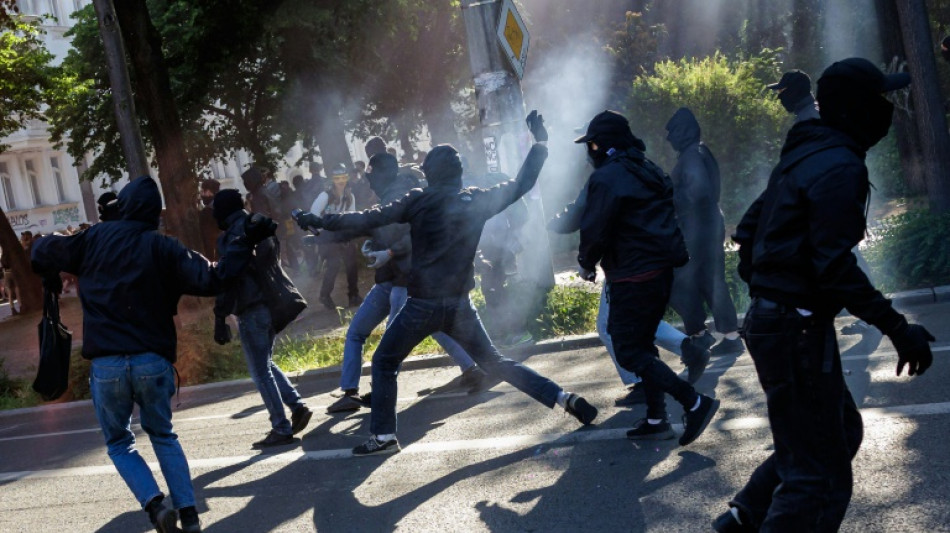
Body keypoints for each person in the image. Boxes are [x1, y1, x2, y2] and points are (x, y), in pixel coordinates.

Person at [713, 58, 935, 532]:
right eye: (880, 100)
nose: (888, 109)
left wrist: (771, 295)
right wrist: (898, 329)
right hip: (794, 329)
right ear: (858, 110)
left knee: (833, 434)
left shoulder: (806, 153)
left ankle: (742, 517)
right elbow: (833, 266)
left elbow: (748, 232)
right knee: (818, 478)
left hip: (778, 323)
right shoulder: (839, 165)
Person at [296, 111, 599, 456]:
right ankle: (564, 397)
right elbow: (522, 183)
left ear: (429, 174)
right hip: (459, 304)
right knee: (496, 362)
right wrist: (540, 142)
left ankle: (383, 436)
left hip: (422, 305)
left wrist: (320, 221)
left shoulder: (418, 200)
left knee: (384, 362)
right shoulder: (477, 199)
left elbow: (368, 218)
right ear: (458, 173)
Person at [30, 176, 275, 533]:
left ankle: (155, 505)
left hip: (107, 365)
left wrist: (55, 255)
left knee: (119, 443)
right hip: (153, 361)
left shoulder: (92, 239)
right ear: (153, 213)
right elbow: (214, 277)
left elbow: (40, 251)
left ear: (123, 207)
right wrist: (245, 240)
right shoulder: (164, 247)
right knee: (163, 436)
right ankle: (189, 515)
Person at [574, 110, 719, 445]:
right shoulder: (646, 167)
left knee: (628, 350)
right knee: (642, 344)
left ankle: (694, 403)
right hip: (660, 272)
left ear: (604, 144)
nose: (589, 151)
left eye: (592, 144)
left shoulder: (607, 177)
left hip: (632, 275)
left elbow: (595, 226)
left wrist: (586, 262)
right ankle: (656, 418)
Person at [324, 152, 486, 413]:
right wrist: (370, 244)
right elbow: (375, 227)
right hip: (388, 279)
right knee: (358, 331)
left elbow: (412, 237)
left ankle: (382, 395)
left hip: (406, 281)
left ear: (383, 172)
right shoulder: (390, 195)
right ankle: (350, 392)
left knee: (396, 341)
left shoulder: (406, 197)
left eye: (371, 173)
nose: (368, 180)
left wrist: (388, 252)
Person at [547, 179, 711, 401]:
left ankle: (644, 380)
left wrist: (552, 226)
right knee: (635, 320)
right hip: (650, 255)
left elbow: (587, 217)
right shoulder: (641, 169)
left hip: (626, 262)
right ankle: (689, 350)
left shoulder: (606, 176)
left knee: (610, 326)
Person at [212, 189, 312, 447]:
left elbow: (227, 278)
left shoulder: (231, 237)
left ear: (223, 210)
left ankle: (281, 427)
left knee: (260, 372)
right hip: (270, 305)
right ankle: (297, 406)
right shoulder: (257, 225)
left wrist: (220, 315)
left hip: (251, 309)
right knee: (266, 363)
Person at [664, 108, 743, 355]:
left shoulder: (691, 156)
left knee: (680, 281)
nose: (669, 138)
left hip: (697, 228)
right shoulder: (699, 151)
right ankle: (729, 335)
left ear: (682, 132)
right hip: (707, 224)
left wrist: (671, 201)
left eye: (673, 132)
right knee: (711, 278)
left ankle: (700, 334)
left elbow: (696, 193)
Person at [310, 164, 362, 309]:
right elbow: (313, 215)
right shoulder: (325, 196)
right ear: (332, 179)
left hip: (344, 235)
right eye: (337, 178)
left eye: (343, 177)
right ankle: (324, 295)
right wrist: (322, 233)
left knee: (352, 264)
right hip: (328, 236)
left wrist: (351, 233)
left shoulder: (350, 196)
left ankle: (354, 295)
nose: (341, 181)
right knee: (334, 265)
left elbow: (352, 217)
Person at [198, 179, 221, 261]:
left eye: (202, 191)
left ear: (208, 192)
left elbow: (208, 239)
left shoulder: (208, 212)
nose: (201, 195)